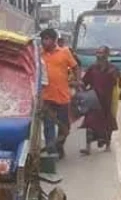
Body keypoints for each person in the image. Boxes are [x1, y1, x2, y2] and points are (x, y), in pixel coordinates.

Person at [39, 28, 79, 159]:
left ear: (54, 40)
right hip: (46, 97)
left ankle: (59, 145)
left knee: (65, 126)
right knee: (48, 125)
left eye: (47, 39)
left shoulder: (65, 52)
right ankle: (51, 151)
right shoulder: (39, 54)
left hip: (62, 96)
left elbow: (75, 67)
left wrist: (77, 81)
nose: (44, 42)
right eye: (43, 39)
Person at [80, 46, 121, 154]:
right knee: (89, 123)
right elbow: (84, 83)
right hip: (94, 101)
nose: (99, 55)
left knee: (108, 124)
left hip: (107, 102)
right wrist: (84, 93)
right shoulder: (92, 68)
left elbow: (119, 85)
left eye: (101, 53)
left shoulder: (113, 69)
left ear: (107, 55)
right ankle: (87, 147)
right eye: (97, 53)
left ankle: (107, 145)